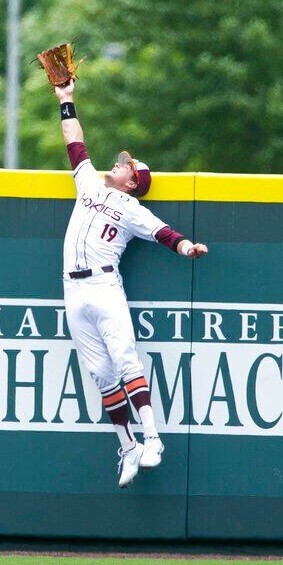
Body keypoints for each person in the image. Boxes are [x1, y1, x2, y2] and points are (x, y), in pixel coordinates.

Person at [53, 78, 208, 488]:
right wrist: (66, 100)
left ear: (133, 180)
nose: (118, 163)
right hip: (73, 289)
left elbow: (165, 233)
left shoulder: (132, 207)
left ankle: (152, 437)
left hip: (104, 287)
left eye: (125, 164)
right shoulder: (87, 182)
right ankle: (127, 446)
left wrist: (187, 248)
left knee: (125, 362)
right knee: (101, 374)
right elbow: (75, 144)